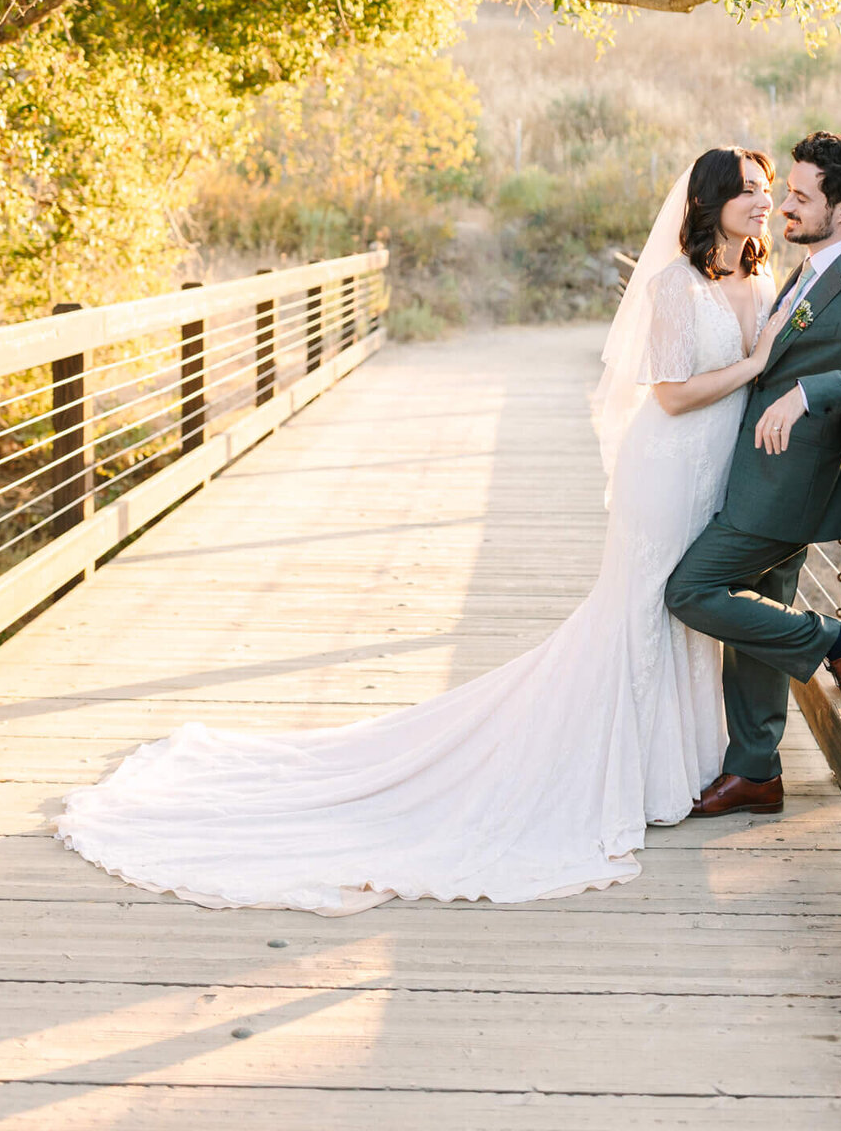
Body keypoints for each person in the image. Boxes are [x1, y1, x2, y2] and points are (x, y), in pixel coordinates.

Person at [57, 146, 788, 913]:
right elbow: (670, 396)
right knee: (644, 607)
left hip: (718, 474)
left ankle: (683, 765)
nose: (761, 202)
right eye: (746, 191)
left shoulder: (761, 276)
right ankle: (628, 774)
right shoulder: (674, 285)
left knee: (690, 610)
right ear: (709, 202)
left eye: (767, 191)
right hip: (668, 467)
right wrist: (758, 363)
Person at [663, 131, 841, 818]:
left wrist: (809, 395)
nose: (785, 204)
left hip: (788, 485)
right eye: (787, 190)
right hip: (760, 474)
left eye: (801, 197)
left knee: (690, 590)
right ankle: (755, 771)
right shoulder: (812, 267)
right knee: (758, 616)